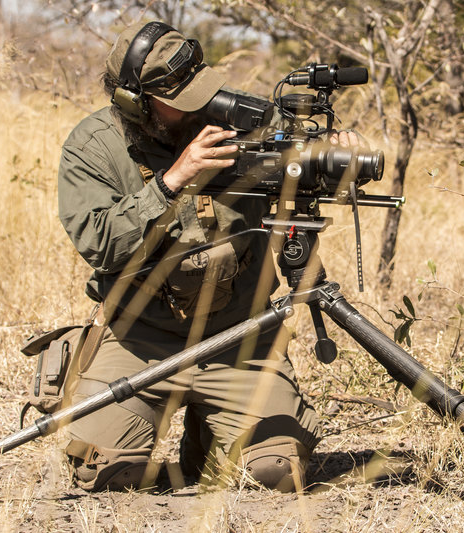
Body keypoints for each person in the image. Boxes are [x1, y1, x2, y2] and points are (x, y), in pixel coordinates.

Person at [57, 20, 356, 492]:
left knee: (275, 474)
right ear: (135, 102)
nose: (200, 106)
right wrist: (171, 181)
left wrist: (335, 161)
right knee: (106, 473)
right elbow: (100, 243)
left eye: (201, 88)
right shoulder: (93, 147)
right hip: (141, 336)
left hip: (239, 333)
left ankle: (210, 429)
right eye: (181, 99)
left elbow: (311, 168)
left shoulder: (245, 117)